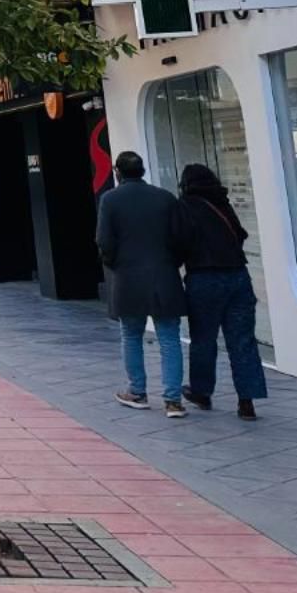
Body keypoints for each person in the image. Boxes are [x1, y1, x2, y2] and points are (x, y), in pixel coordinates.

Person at [95, 150, 188, 418]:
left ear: (117, 172)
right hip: (164, 274)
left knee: (131, 334)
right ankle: (173, 400)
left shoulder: (110, 200)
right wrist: (170, 262)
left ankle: (137, 391)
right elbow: (180, 238)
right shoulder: (165, 198)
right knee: (170, 338)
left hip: (128, 276)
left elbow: (104, 240)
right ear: (143, 171)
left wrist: (115, 264)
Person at [177, 164, 267, 420]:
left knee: (204, 339)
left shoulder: (185, 206)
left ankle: (202, 391)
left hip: (204, 278)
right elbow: (240, 234)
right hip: (238, 276)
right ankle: (247, 401)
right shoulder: (222, 202)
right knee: (243, 341)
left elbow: (179, 241)